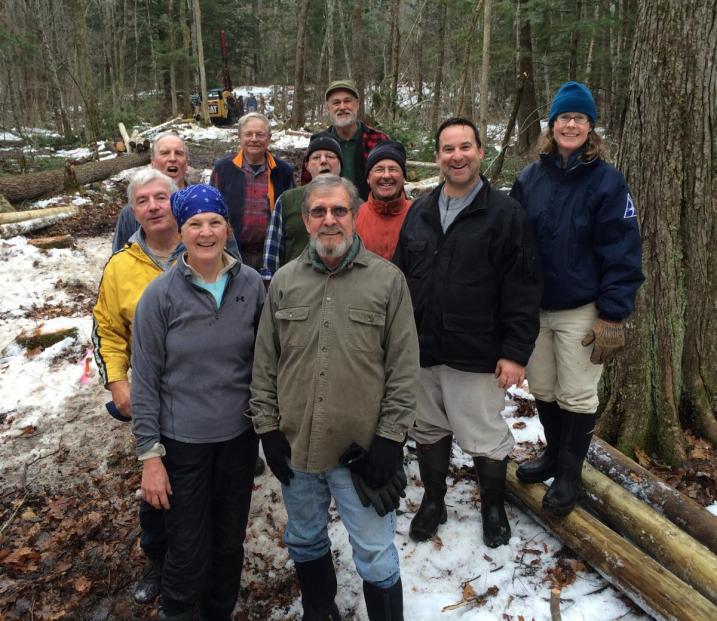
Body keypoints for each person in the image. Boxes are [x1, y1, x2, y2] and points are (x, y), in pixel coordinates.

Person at [250, 175, 419, 620]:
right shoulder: (284, 282)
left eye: (339, 211)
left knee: (376, 554)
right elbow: (265, 363)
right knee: (304, 540)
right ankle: (318, 612)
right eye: (319, 211)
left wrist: (389, 440)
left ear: (354, 215)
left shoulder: (388, 282)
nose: (329, 220)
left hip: (360, 452)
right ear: (305, 220)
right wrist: (267, 430)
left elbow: (404, 369)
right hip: (296, 446)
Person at [393, 117, 542, 548]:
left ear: (480, 151)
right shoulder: (420, 211)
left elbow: (523, 286)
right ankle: (434, 501)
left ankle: (492, 507)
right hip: (422, 349)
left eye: (465, 147)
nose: (456, 156)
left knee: (483, 434)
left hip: (476, 350)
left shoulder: (504, 213)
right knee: (428, 428)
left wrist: (515, 352)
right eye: (447, 149)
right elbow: (401, 279)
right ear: (438, 157)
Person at [509, 81, 644, 516]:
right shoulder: (530, 178)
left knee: (578, 395)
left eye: (579, 118)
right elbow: (512, 244)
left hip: (582, 309)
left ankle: (569, 473)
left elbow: (623, 250)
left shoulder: (607, 182)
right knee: (544, 388)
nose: (570, 124)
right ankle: (551, 454)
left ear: (591, 127)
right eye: (564, 117)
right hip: (536, 308)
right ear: (552, 124)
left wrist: (613, 314)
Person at [131, 185, 264, 621]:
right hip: (181, 443)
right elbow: (146, 381)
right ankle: (178, 610)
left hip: (238, 440)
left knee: (229, 541)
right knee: (188, 548)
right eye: (195, 224)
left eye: (215, 222)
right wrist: (150, 456)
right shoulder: (160, 296)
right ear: (181, 230)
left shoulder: (250, 285)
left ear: (227, 227)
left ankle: (218, 611)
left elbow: (264, 361)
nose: (206, 233)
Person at [92, 168, 182, 604]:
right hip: (150, 396)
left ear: (175, 201)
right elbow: (106, 329)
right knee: (156, 481)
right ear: (133, 211)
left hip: (205, 395)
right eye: (143, 201)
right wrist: (116, 382)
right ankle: (159, 560)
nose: (153, 206)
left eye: (161, 198)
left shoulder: (204, 247)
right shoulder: (121, 267)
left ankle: (204, 563)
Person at [211, 112, 294, 270]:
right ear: (239, 137)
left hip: (271, 253)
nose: (254, 139)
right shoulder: (223, 169)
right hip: (232, 253)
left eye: (260, 134)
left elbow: (289, 214)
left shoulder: (283, 171)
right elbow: (212, 210)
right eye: (248, 134)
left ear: (268, 138)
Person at [259, 132, 342, 281]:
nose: (323, 161)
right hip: (295, 291)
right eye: (316, 157)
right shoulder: (287, 201)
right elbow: (271, 258)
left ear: (340, 163)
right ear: (308, 166)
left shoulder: (355, 203)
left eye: (330, 156)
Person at [301, 79, 389, 200]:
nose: (342, 107)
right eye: (336, 103)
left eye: (347, 101)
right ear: (328, 108)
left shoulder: (378, 140)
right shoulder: (318, 144)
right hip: (331, 214)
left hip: (371, 214)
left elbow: (393, 185)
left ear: (357, 105)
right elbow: (307, 187)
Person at [112, 132, 189, 252]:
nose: (172, 158)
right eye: (165, 153)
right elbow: (118, 259)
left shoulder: (204, 203)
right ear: (152, 163)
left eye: (178, 153)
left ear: (186, 163)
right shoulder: (130, 213)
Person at [355, 140, 411, 260]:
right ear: (368, 178)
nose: (386, 176)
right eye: (379, 169)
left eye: (393, 169)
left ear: (403, 177)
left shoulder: (418, 215)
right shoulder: (353, 217)